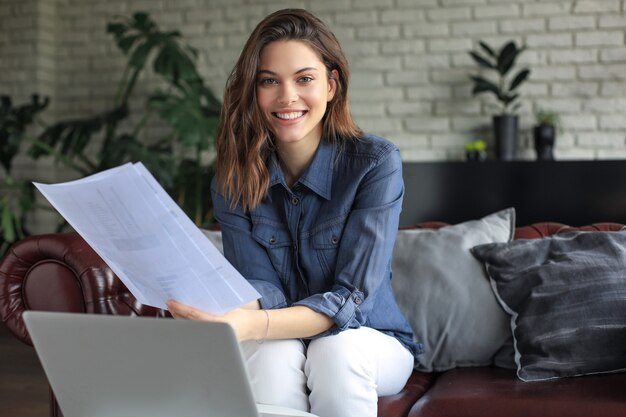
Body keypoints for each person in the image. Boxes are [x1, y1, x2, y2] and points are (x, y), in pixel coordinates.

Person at [166, 8, 421, 417]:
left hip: (370, 339)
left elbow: (349, 300)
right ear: (254, 91)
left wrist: (250, 325)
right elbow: (260, 286)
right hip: (280, 337)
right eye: (270, 81)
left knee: (336, 351)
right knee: (269, 356)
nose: (287, 97)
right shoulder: (233, 179)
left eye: (304, 79)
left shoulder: (374, 164)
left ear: (331, 85)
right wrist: (224, 315)